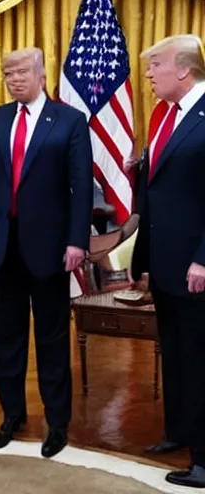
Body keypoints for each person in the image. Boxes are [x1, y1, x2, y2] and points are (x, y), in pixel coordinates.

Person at [0, 47, 93, 456]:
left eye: (22, 72)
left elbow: (81, 188)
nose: (14, 80)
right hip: (4, 248)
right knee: (6, 336)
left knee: (52, 338)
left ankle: (57, 422)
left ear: (41, 75)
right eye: (8, 73)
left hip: (51, 250)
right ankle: (12, 414)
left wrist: (77, 241)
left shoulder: (69, 120)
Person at [131, 34, 205, 489]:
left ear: (182, 69)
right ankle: (178, 433)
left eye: (155, 66)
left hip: (196, 267)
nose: (149, 75)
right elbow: (163, 187)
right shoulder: (167, 117)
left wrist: (203, 259)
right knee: (176, 355)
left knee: (199, 360)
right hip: (165, 264)